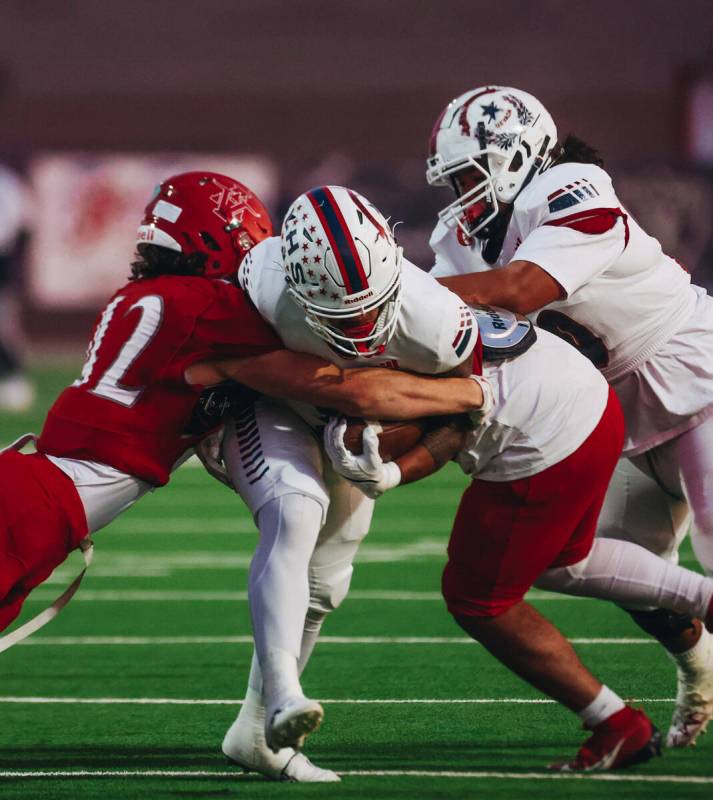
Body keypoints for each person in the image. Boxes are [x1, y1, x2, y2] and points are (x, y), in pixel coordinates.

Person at [0, 171, 484, 782]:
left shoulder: (155, 299)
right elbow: (344, 386)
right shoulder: (211, 309)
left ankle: (267, 719)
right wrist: (465, 389)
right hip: (39, 505)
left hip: (37, 490)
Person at [425, 85, 713, 748]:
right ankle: (699, 667)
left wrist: (395, 293)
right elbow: (440, 329)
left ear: (517, 152)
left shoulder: (569, 184)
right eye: (455, 178)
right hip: (605, 407)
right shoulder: (458, 236)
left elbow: (522, 289)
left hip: (690, 370)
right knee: (584, 562)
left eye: (471, 173)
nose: (462, 192)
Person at [323, 301, 713, 771]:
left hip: (560, 428)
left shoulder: (425, 309)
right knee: (566, 560)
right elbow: (459, 415)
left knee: (477, 597)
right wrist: (396, 468)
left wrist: (388, 459)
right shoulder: (430, 285)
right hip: (587, 402)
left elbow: (467, 405)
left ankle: (615, 722)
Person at [187, 184, 480, 780]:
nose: (367, 326)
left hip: (352, 424)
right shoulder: (261, 284)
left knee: (327, 581)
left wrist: (398, 462)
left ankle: (255, 731)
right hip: (274, 402)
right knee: (296, 513)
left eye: (374, 304)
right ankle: (286, 695)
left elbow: (467, 412)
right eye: (347, 315)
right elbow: (208, 361)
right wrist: (203, 424)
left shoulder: (440, 322)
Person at [0, 163, 34, 411]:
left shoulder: (7, 182)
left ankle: (12, 377)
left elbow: (20, 221)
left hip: (2, 260)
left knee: (4, 323)